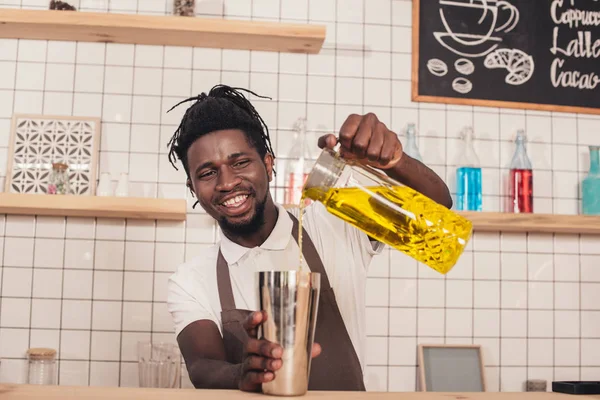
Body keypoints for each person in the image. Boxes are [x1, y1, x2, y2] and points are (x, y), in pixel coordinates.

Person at [166, 84, 452, 392]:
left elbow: (436, 214)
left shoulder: (334, 224)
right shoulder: (191, 278)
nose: (227, 182)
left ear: (268, 164)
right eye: (207, 173)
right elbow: (203, 366)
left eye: (240, 162)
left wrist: (396, 161)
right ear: (193, 188)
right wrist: (242, 373)